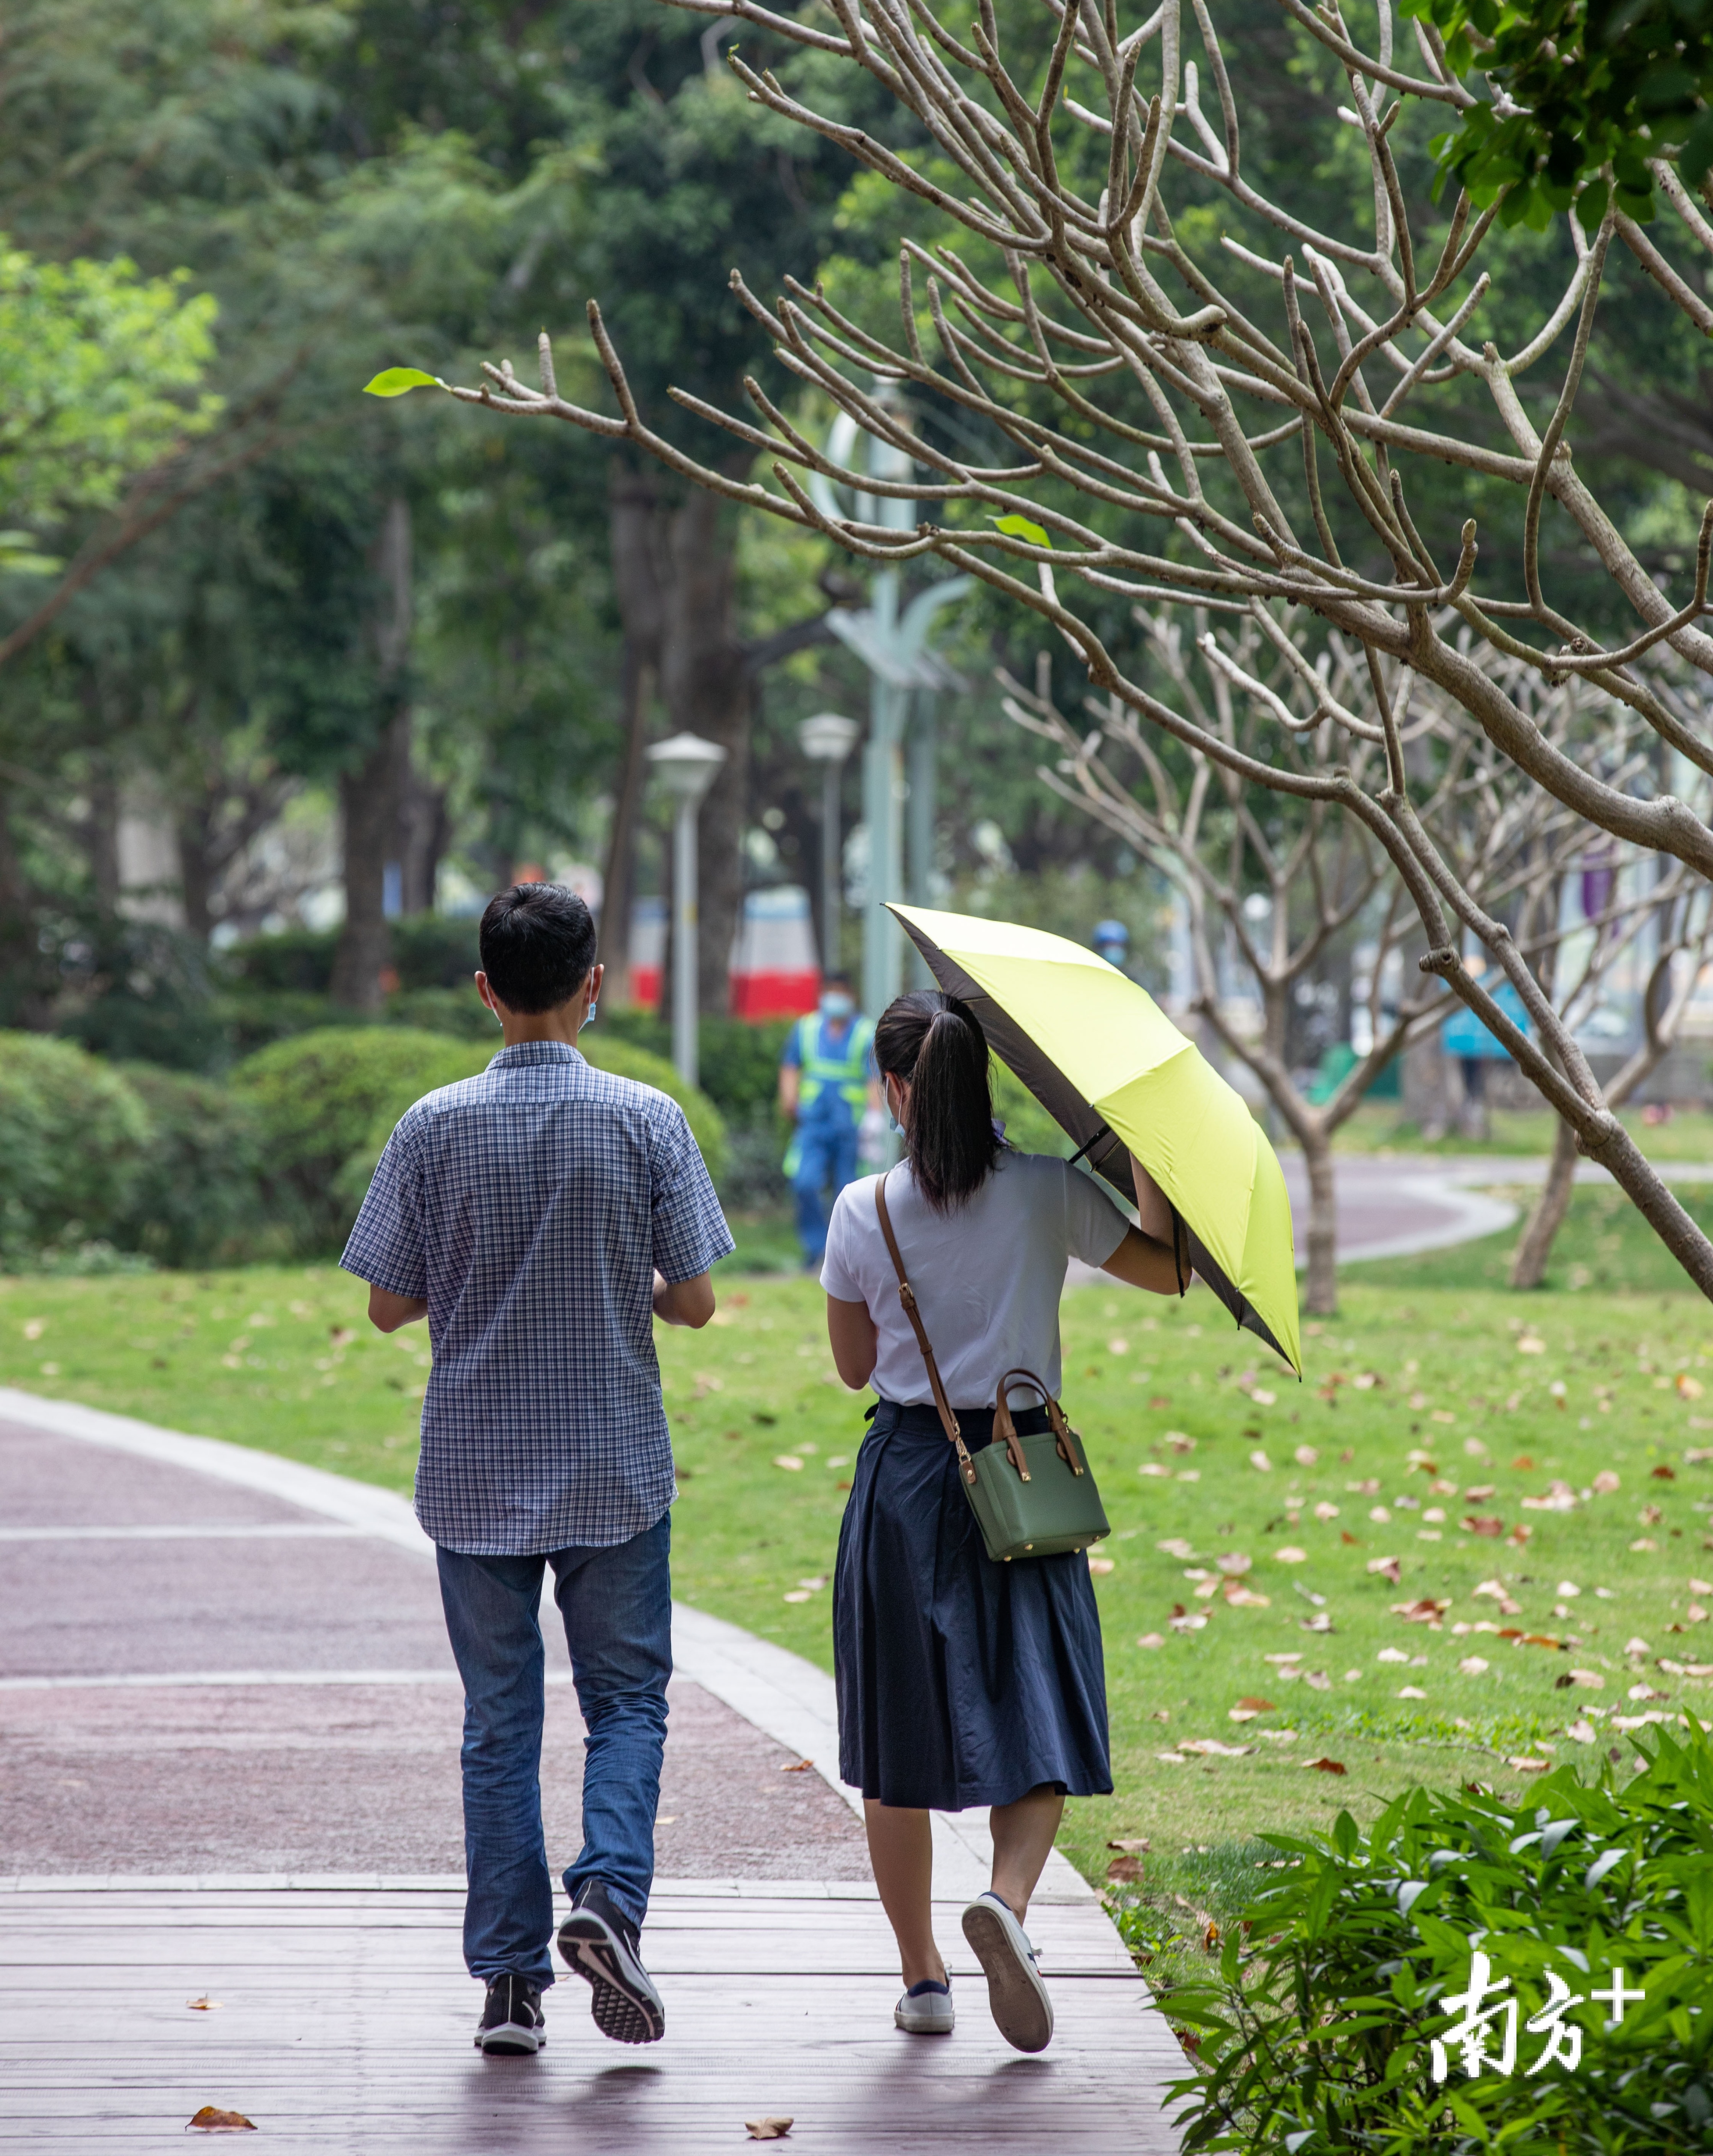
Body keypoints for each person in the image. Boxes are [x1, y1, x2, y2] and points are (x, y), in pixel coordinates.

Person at [341, 882, 733, 2060]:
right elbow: (700, 1301)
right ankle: (606, 1901)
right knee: (626, 1702)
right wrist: (632, 1285)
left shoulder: (429, 1125)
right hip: (613, 1461)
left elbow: (385, 1305)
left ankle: (510, 1985)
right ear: (594, 985)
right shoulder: (648, 1120)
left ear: (484, 991)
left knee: (499, 1726)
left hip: (474, 1469)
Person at [821, 989, 1184, 2054]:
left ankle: (922, 1978)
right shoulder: (1044, 1191)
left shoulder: (862, 1210)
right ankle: (1009, 1907)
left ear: (894, 1088)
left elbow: (853, 1371)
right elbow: (1165, 1270)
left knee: (896, 1734)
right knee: (1041, 1705)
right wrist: (1147, 1156)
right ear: (979, 1081)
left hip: (903, 1480)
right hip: (1021, 1473)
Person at [778, 971, 879, 1267]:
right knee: (804, 1182)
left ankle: (845, 1256)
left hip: (849, 1124)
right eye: (830, 991)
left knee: (849, 1193)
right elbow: (790, 1065)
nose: (834, 998)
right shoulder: (806, 1028)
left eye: (840, 992)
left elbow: (874, 1075)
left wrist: (874, 1116)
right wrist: (789, 1098)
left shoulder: (865, 1032)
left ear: (851, 996)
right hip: (812, 1121)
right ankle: (815, 1249)